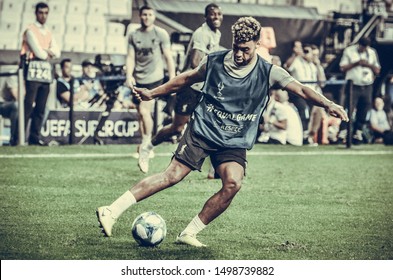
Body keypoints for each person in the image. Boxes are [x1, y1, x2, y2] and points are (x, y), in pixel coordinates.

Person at [96, 17, 348, 247]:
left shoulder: (269, 71)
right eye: (236, 47)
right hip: (203, 129)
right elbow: (186, 78)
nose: (239, 53)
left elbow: (302, 90)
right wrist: (152, 92)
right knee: (171, 176)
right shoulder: (215, 61)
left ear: (257, 45)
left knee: (233, 183)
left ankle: (188, 233)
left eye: (245, 49)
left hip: (234, 137)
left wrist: (329, 104)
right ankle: (111, 210)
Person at [138, 3, 223, 174]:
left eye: (219, 14)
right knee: (176, 128)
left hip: (205, 89)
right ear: (205, 17)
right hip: (190, 87)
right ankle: (147, 147)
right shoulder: (201, 34)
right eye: (213, 14)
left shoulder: (217, 33)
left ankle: (215, 169)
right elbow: (195, 63)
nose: (216, 17)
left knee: (213, 123)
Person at [126, 5, 176, 172]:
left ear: (154, 16)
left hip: (155, 78)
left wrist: (173, 79)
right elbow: (131, 57)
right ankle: (145, 143)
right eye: (144, 15)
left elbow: (168, 57)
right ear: (139, 16)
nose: (147, 17)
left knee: (143, 110)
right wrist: (129, 75)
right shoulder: (134, 35)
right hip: (138, 79)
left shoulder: (160, 33)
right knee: (141, 114)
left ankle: (147, 145)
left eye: (149, 14)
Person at [21, 2, 61, 145]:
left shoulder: (48, 32)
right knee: (27, 106)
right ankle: (19, 137)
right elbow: (39, 53)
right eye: (41, 13)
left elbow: (57, 52)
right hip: (32, 72)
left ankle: (34, 138)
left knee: (40, 108)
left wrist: (46, 51)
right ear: (36, 13)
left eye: (46, 13)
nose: (43, 16)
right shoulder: (30, 30)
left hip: (45, 75)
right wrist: (47, 51)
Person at [337, 37, 381, 144]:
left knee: (364, 109)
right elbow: (342, 68)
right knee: (349, 109)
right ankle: (343, 132)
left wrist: (367, 64)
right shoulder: (349, 51)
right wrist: (357, 63)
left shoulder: (371, 52)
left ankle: (358, 133)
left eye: (366, 47)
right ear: (359, 44)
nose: (364, 49)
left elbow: (377, 70)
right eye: (362, 46)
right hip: (353, 85)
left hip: (367, 85)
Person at [0, 75, 19, 146]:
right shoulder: (12, 77)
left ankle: (33, 137)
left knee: (45, 109)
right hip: (3, 104)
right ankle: (14, 138)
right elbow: (17, 97)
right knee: (16, 106)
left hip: (18, 104)